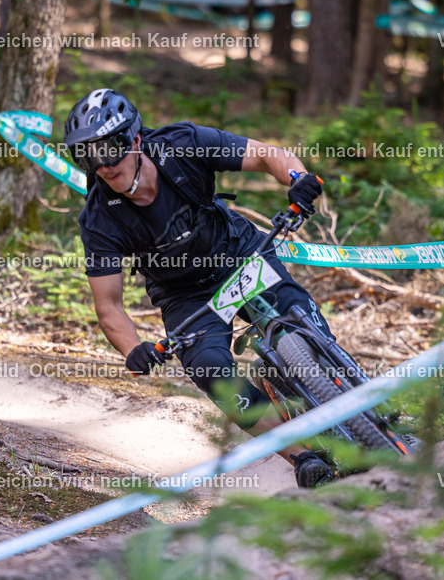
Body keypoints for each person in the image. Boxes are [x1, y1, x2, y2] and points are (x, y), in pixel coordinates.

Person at [65, 88, 337, 488]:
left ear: (135, 139)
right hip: (185, 297)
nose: (102, 165)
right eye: (88, 155)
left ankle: (366, 410)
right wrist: (132, 348)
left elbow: (264, 154)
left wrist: (296, 178)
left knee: (301, 319)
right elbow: (108, 306)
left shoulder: (182, 145)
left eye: (110, 148)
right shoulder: (100, 220)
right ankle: (305, 456)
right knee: (210, 369)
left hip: (238, 254)